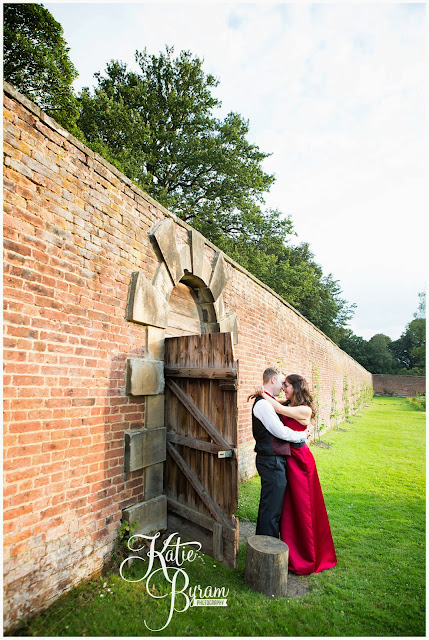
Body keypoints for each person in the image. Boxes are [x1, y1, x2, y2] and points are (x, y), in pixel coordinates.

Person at [258, 374, 337, 575]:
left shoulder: (304, 409)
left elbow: (278, 409)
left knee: (303, 506)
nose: (284, 388)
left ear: (296, 387)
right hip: (287, 457)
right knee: (288, 506)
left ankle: (307, 556)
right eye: (283, 384)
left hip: (300, 460)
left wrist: (261, 394)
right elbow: (276, 402)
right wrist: (262, 394)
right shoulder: (289, 401)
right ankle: (287, 549)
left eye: (287, 385)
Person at [250, 367, 309, 539]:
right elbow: (281, 432)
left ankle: (262, 542)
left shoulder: (269, 402)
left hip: (274, 460)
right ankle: (268, 547)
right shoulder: (263, 405)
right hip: (270, 460)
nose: (283, 387)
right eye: (282, 382)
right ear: (273, 380)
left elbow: (282, 404)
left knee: (270, 505)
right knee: (272, 508)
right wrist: (302, 436)